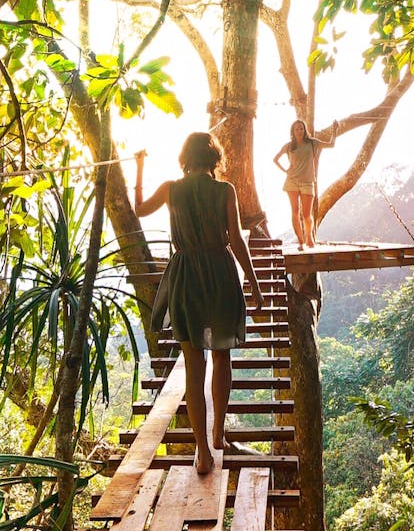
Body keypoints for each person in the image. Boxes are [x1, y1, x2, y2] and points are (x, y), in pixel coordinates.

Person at [133, 133, 264, 474]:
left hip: (186, 275)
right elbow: (236, 240)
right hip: (219, 273)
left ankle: (203, 451)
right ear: (215, 159)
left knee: (194, 364)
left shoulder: (171, 189)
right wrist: (254, 283)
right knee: (222, 355)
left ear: (185, 157)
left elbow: (139, 209)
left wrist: (139, 167)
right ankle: (219, 433)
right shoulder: (225, 191)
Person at [273, 120, 332, 249]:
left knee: (306, 215)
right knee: (294, 211)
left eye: (301, 129)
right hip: (292, 181)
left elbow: (331, 144)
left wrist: (335, 129)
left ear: (305, 130)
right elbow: (275, 159)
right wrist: (285, 170)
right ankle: (300, 241)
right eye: (296, 129)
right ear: (293, 132)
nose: (299, 131)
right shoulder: (289, 146)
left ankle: (309, 238)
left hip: (308, 182)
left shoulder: (312, 143)